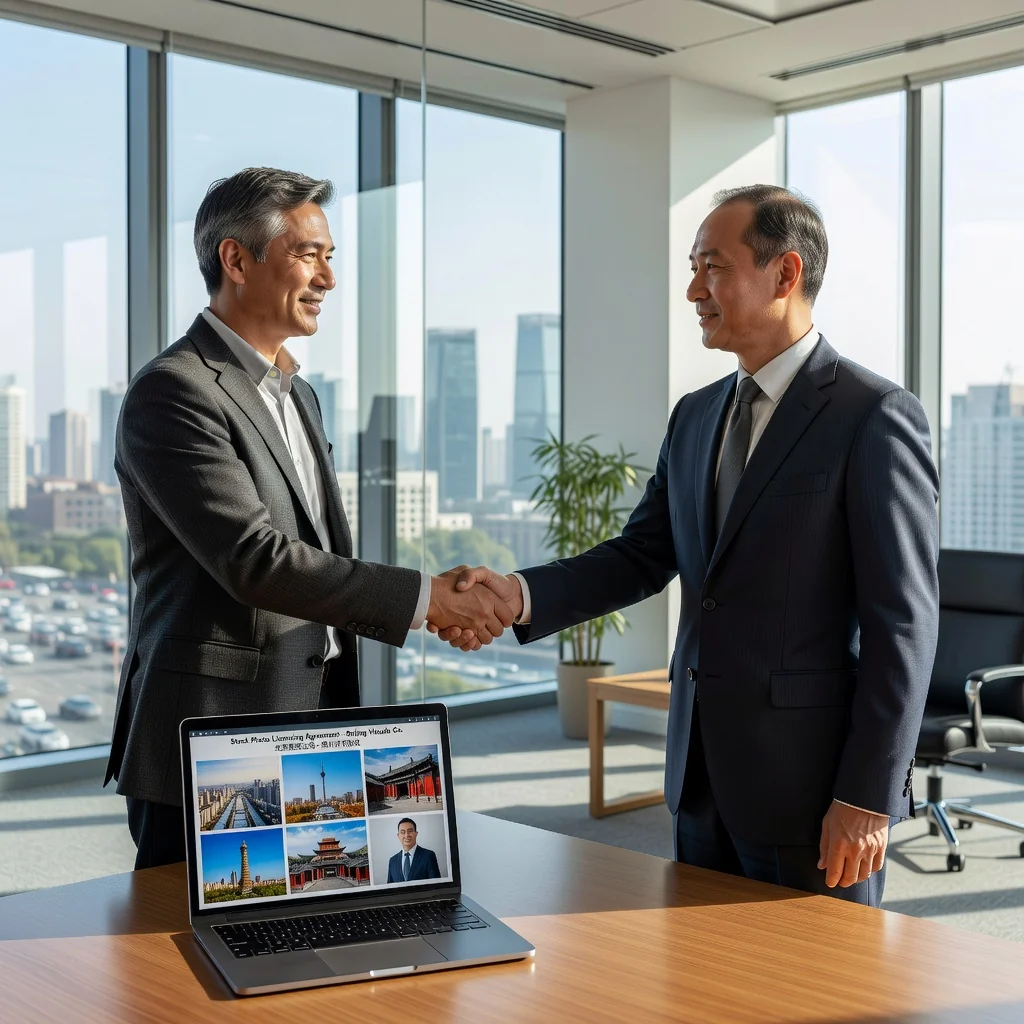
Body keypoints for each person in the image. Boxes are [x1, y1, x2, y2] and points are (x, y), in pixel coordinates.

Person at [432, 185, 940, 907]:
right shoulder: (697, 414)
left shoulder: (875, 417)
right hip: (699, 775)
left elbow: (905, 627)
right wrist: (516, 596)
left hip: (812, 790)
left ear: (785, 274)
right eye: (692, 266)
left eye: (713, 266)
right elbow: (641, 554)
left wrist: (868, 796)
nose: (694, 288)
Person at [105, 167, 513, 870]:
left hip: (313, 715)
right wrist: (428, 600)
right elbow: (254, 560)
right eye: (309, 254)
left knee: (314, 927)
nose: (328, 278)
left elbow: (313, 546)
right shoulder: (173, 391)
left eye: (331, 257)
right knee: (189, 950)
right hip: (217, 731)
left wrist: (433, 603)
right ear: (236, 259)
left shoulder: (299, 393)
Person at [386, 818, 442, 883]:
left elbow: (436, 886)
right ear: (398, 836)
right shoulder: (393, 861)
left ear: (416, 833)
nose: (406, 835)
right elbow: (390, 887)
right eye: (403, 832)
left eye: (410, 831)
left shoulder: (428, 856)